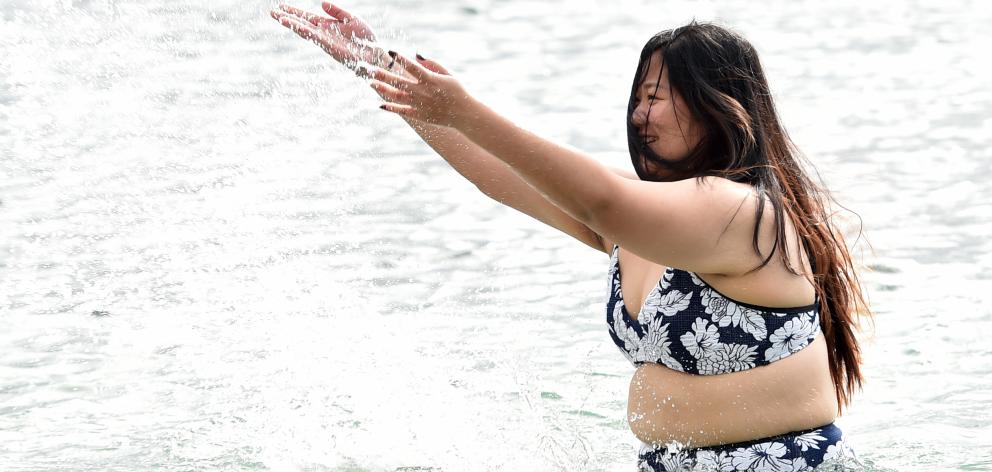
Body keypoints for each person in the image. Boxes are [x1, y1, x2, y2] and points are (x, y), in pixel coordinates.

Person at [270, 3, 871, 470]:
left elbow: (599, 198)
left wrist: (466, 110)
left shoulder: (745, 213)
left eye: (657, 97)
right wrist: (387, 74)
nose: (640, 115)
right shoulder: (645, 223)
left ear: (721, 105)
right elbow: (500, 177)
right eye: (637, 97)